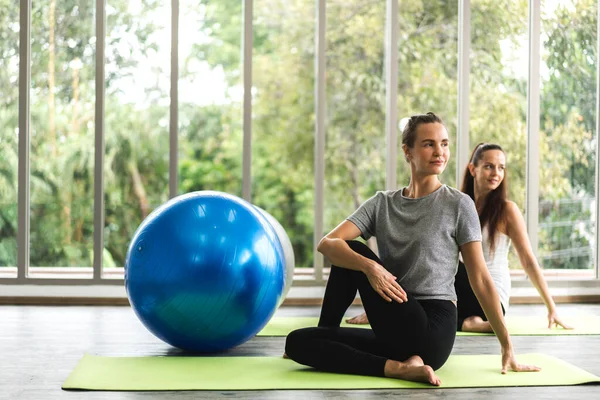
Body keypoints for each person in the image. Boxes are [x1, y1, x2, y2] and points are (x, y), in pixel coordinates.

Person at [284, 113, 539, 386]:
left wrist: (507, 346)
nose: (439, 152)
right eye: (429, 144)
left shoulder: (458, 204)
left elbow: (480, 279)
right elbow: (327, 243)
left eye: (444, 144)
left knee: (352, 249)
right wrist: (370, 267)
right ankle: (397, 366)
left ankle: (402, 358)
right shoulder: (382, 203)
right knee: (297, 341)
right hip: (394, 324)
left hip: (433, 327)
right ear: (408, 151)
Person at [346, 143, 572, 333]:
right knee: (425, 286)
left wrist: (551, 307)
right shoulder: (457, 203)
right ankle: (469, 323)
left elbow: (528, 259)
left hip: (488, 293)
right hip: (459, 293)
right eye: (489, 167)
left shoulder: (507, 210)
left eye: (501, 168)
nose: (496, 173)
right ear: (472, 169)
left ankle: (477, 321)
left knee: (434, 265)